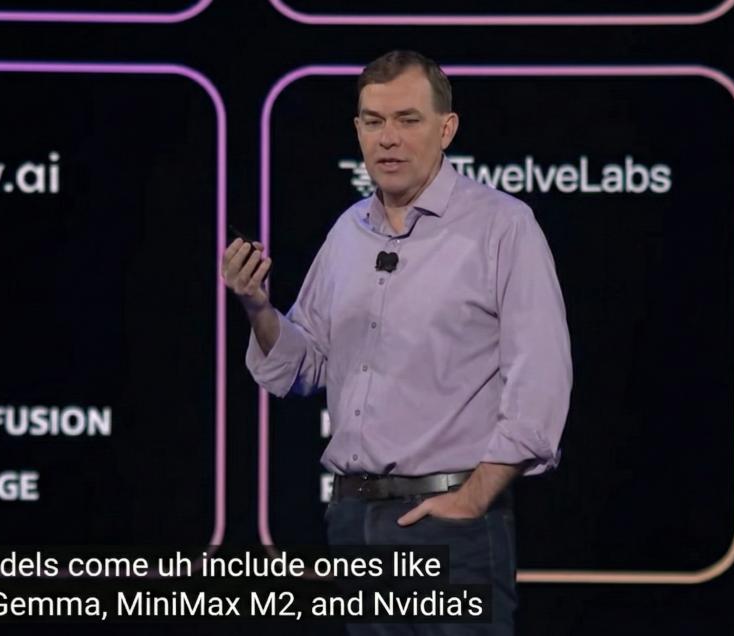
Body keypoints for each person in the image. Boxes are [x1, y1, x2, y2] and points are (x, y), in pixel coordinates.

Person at [222, 50, 572, 635]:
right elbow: (303, 367)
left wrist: (473, 498)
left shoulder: (502, 226)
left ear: (446, 128)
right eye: (374, 121)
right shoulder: (348, 232)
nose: (388, 138)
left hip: (449, 522)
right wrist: (257, 306)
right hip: (354, 522)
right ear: (358, 130)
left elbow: (542, 377)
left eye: (408, 120)